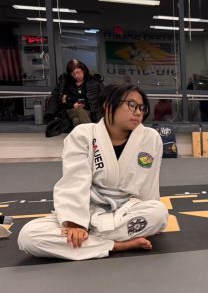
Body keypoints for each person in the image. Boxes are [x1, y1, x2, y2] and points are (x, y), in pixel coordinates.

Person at [18, 83, 168, 260]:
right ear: (107, 104)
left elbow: (149, 183)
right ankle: (116, 245)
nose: (138, 112)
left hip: (124, 211)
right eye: (131, 105)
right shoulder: (83, 134)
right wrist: (75, 223)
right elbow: (75, 180)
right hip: (87, 211)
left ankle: (90, 244)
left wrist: (151, 222)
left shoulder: (150, 138)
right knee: (28, 236)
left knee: (158, 212)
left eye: (142, 107)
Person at [49, 59, 104, 129]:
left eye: (78, 72)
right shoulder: (66, 84)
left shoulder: (92, 81)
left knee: (76, 121)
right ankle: (92, 132)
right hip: (70, 110)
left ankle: (80, 136)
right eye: (73, 74)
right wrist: (73, 105)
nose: (76, 76)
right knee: (80, 111)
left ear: (83, 70)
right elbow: (60, 100)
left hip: (87, 111)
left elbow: (97, 99)